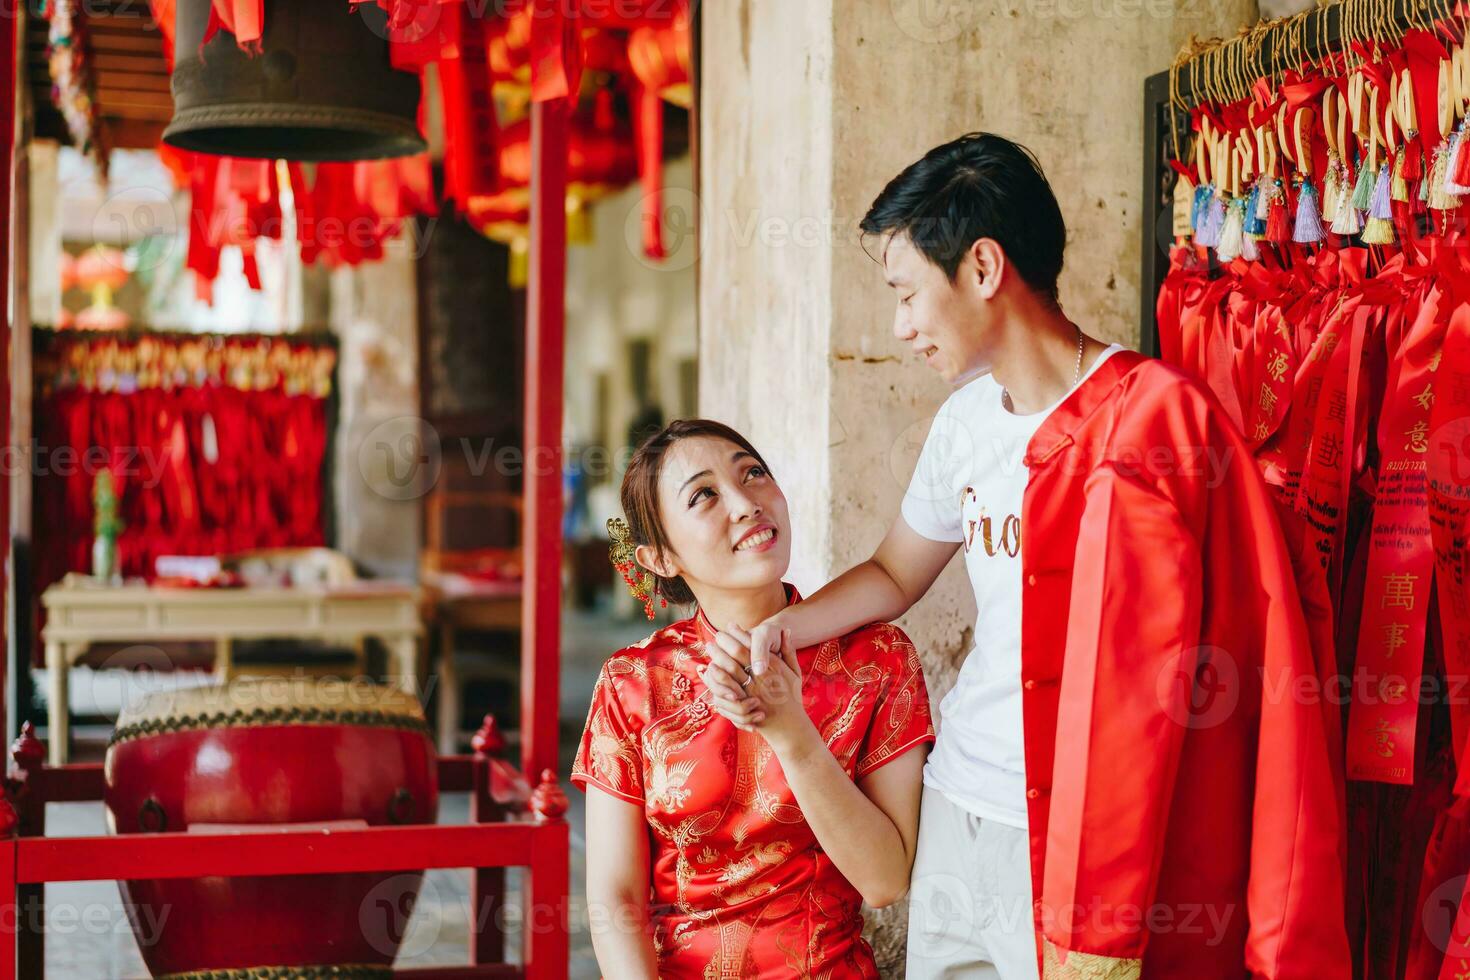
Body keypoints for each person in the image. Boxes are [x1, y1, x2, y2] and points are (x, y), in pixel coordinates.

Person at [713, 133, 1351, 978]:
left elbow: (1242, 656)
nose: (901, 327)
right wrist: (780, 632)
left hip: (1078, 839)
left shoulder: (1160, 422)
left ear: (982, 268)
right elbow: (897, 574)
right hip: (957, 805)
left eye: (907, 293)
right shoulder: (967, 423)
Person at [572, 418, 935, 978]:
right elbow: (616, 902)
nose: (746, 503)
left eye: (754, 473)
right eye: (704, 495)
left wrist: (793, 735)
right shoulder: (633, 682)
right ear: (661, 559)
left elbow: (885, 881)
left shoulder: (876, 660)